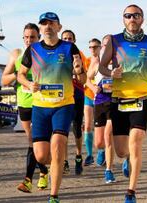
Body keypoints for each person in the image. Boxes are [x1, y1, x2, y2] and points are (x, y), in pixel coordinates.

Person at [98, 4, 147, 202]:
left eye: (136, 15)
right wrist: (111, 72)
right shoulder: (114, 40)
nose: (132, 19)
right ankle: (126, 159)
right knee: (121, 150)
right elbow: (101, 67)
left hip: (142, 99)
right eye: (128, 16)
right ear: (124, 19)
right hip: (119, 100)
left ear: (142, 19)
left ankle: (131, 192)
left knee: (135, 142)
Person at [17, 12, 85, 203]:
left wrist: (79, 70)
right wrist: (28, 84)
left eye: (51, 23)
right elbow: (20, 75)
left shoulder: (70, 48)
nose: (47, 26)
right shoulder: (33, 49)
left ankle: (53, 195)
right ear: (40, 28)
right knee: (41, 155)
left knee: (57, 145)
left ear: (59, 27)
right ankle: (58, 160)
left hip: (63, 105)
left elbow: (83, 79)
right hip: (39, 107)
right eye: (44, 23)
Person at [1, 23, 49, 193]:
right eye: (26, 37)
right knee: (32, 141)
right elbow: (4, 80)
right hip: (24, 102)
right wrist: (20, 74)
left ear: (39, 38)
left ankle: (28, 179)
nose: (29, 40)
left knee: (36, 140)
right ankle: (43, 171)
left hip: (41, 102)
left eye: (33, 37)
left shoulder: (45, 53)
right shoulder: (17, 54)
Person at [87, 37, 116, 183]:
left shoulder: (117, 64)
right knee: (99, 143)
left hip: (114, 102)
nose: (105, 48)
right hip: (99, 102)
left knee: (108, 136)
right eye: (104, 45)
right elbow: (86, 79)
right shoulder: (96, 64)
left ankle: (109, 170)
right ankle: (103, 152)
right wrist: (93, 87)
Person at [60, 30, 87, 174]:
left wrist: (78, 71)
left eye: (70, 38)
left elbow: (85, 77)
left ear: (74, 40)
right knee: (62, 129)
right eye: (65, 38)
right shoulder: (58, 54)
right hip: (63, 95)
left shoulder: (79, 55)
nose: (67, 40)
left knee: (76, 129)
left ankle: (78, 156)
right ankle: (64, 160)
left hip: (77, 94)